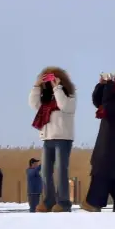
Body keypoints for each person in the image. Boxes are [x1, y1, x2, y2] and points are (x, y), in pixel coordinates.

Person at [83, 68, 115, 213]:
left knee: (103, 167)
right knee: (113, 170)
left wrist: (109, 86)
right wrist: (101, 86)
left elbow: (111, 107)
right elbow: (98, 101)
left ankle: (93, 202)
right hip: (108, 134)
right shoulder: (113, 90)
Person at [29, 66, 77, 213]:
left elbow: (64, 106)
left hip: (63, 138)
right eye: (47, 79)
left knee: (61, 170)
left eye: (51, 78)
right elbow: (33, 104)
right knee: (45, 171)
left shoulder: (69, 95)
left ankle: (63, 202)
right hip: (47, 138)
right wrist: (36, 86)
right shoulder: (46, 100)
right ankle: (48, 201)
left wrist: (58, 88)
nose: (49, 82)